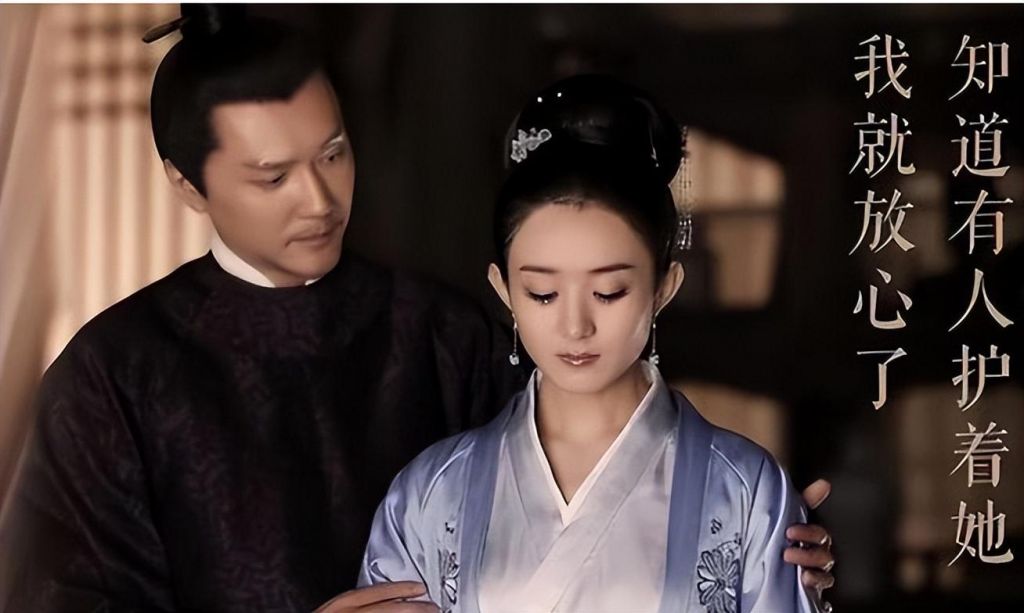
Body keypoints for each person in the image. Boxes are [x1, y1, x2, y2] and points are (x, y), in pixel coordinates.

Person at [0, 7, 832, 612]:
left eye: (333, 153)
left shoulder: (441, 329)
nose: (319, 198)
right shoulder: (114, 375)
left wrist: (750, 531)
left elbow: (594, 481)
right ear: (187, 184)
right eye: (273, 176)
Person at [358, 75, 825, 613]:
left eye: (609, 292)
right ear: (503, 290)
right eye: (542, 293)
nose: (575, 326)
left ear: (664, 288)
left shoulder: (743, 489)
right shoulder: (430, 493)